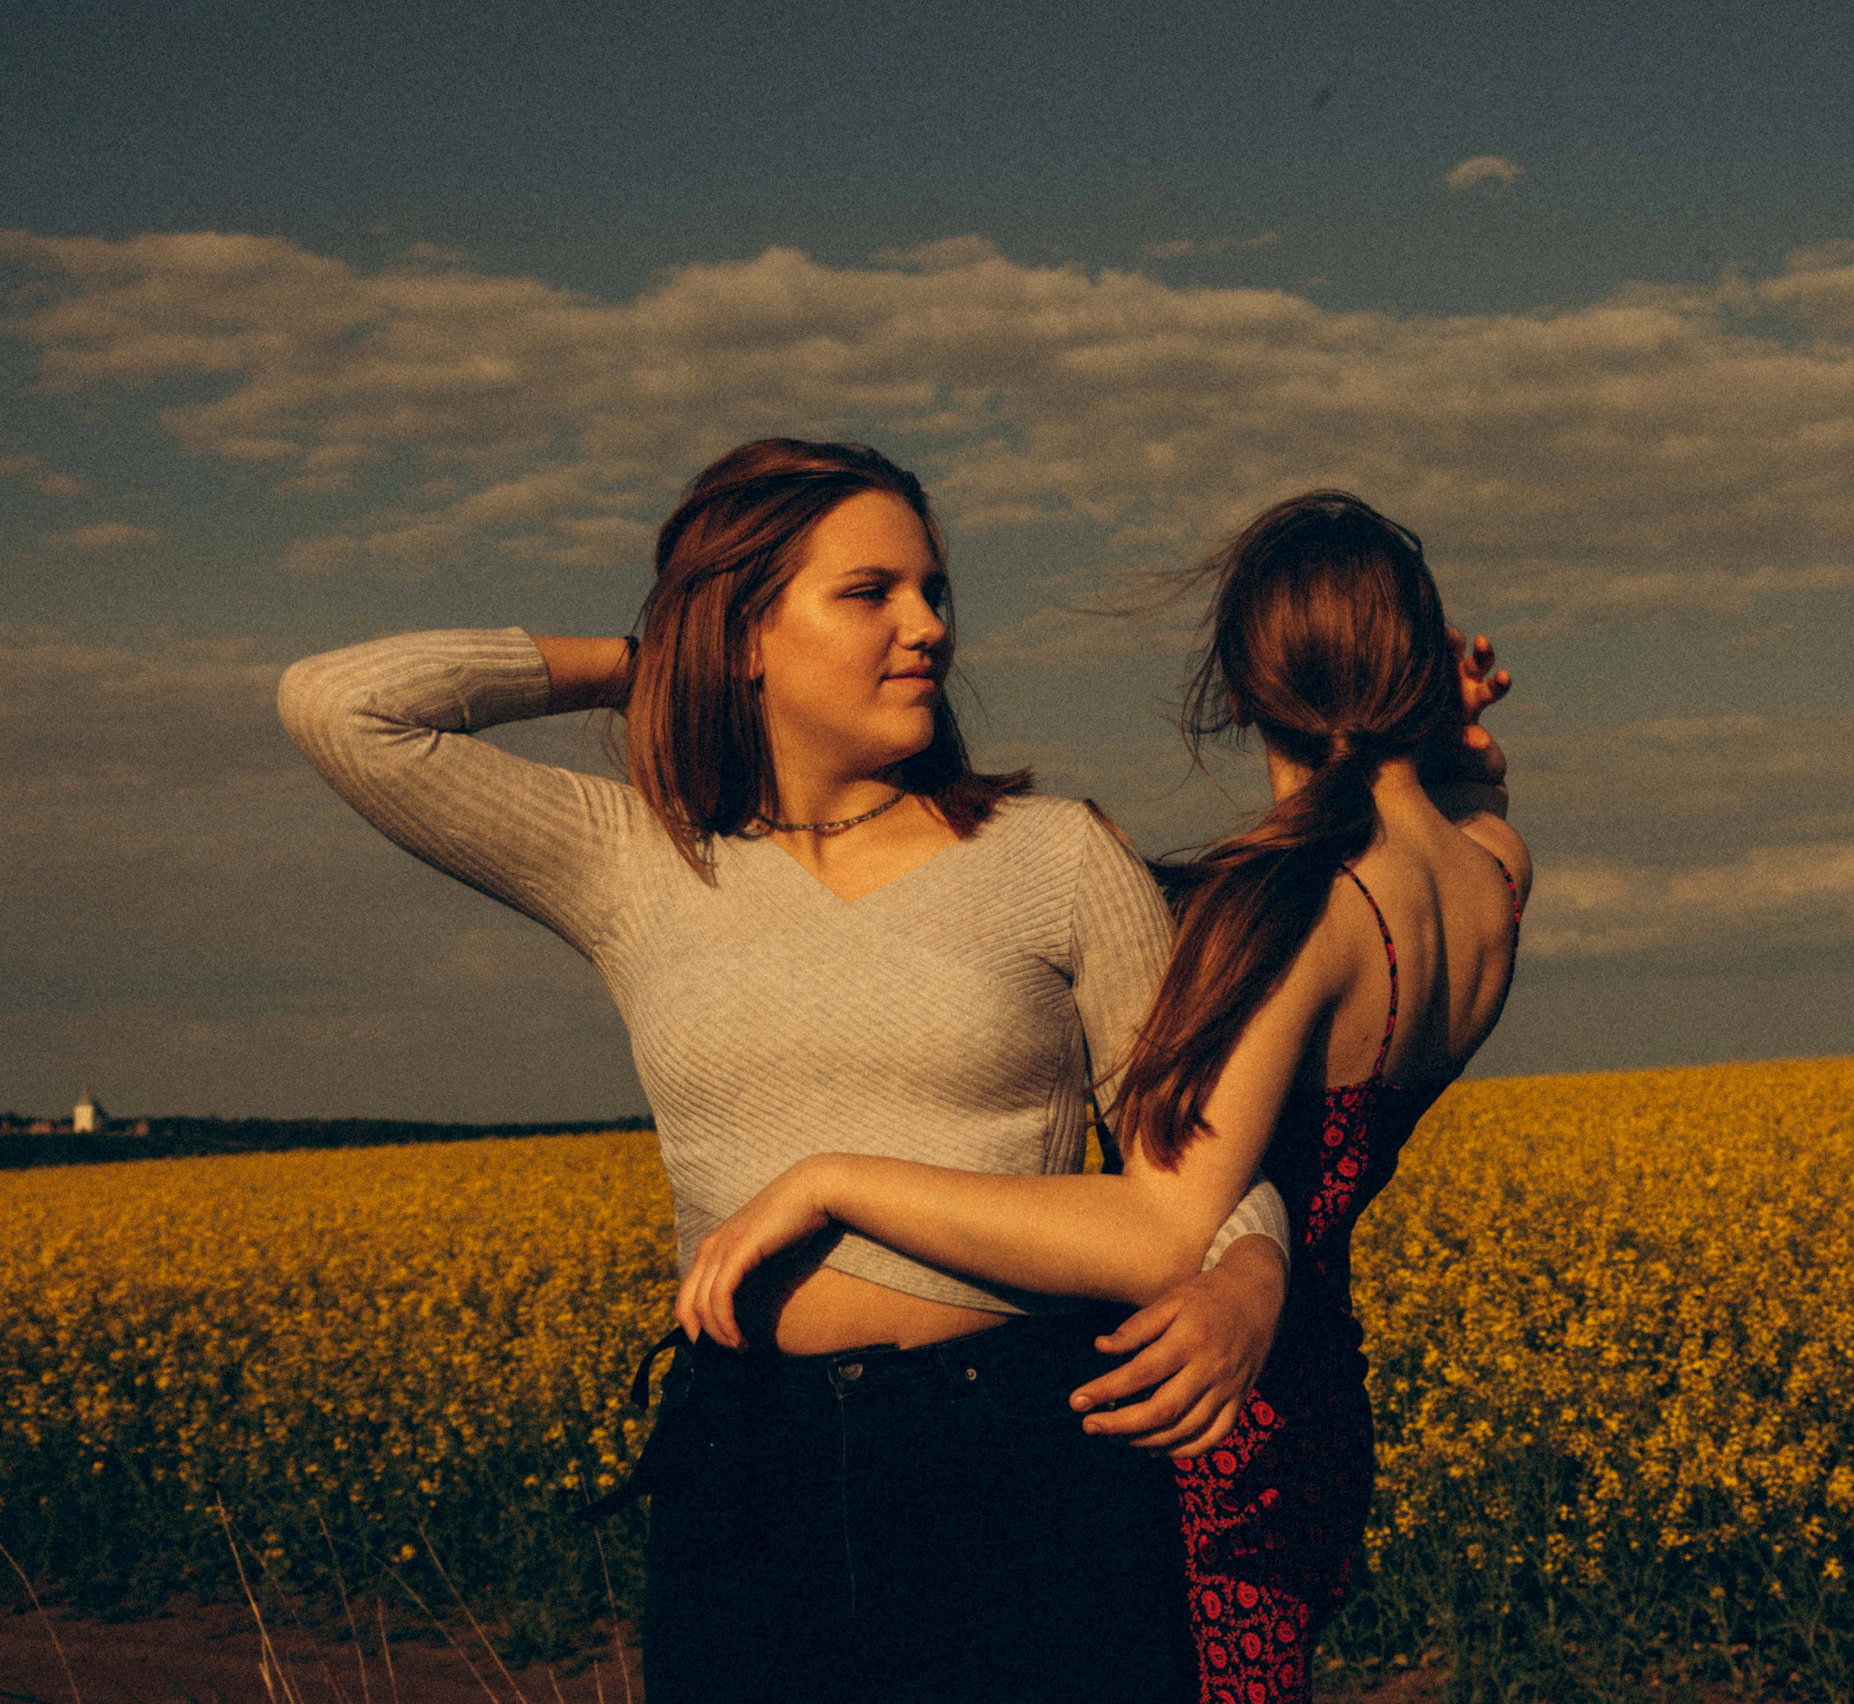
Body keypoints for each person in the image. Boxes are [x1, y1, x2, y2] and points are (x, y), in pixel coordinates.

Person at [277, 438, 1313, 1703]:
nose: (928, 627)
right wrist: (652, 663)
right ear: (746, 632)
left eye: (933, 591)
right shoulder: (636, 858)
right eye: (870, 592)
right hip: (746, 1464)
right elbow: (342, 706)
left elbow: (1194, 1158)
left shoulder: (1055, 857)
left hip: (1021, 1449)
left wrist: (1251, 1280)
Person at [682, 490, 1530, 1704]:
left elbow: (1164, 1224)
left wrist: (830, 1182)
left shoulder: (1289, 913)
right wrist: (1466, 754)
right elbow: (1480, 810)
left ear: (1241, 686)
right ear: (1414, 668)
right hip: (1318, 1398)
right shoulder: (1489, 873)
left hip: (1200, 1407)